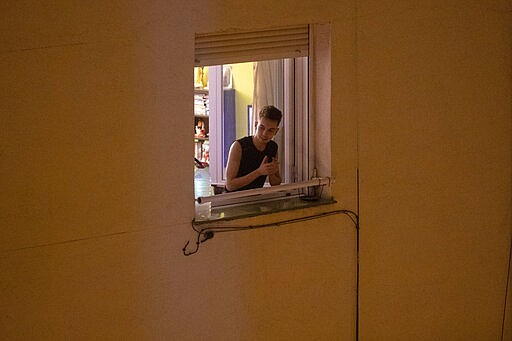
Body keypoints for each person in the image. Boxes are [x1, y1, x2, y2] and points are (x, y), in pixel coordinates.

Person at [225, 105, 282, 192]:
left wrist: (272, 172)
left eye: (270, 130)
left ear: (276, 131)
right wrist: (259, 172)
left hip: (255, 199)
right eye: (261, 128)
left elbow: (275, 183)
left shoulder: (272, 147)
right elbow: (230, 185)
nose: (264, 134)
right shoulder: (238, 146)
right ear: (256, 125)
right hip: (233, 199)